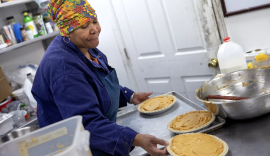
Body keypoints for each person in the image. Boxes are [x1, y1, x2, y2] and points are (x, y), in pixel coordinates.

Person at [31, 0, 169, 155]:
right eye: (84, 26)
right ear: (66, 31)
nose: (94, 29)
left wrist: (128, 95)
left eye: (94, 21)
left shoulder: (86, 47)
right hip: (76, 147)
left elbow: (97, 81)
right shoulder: (63, 68)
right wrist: (135, 139)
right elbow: (86, 123)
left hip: (99, 135)